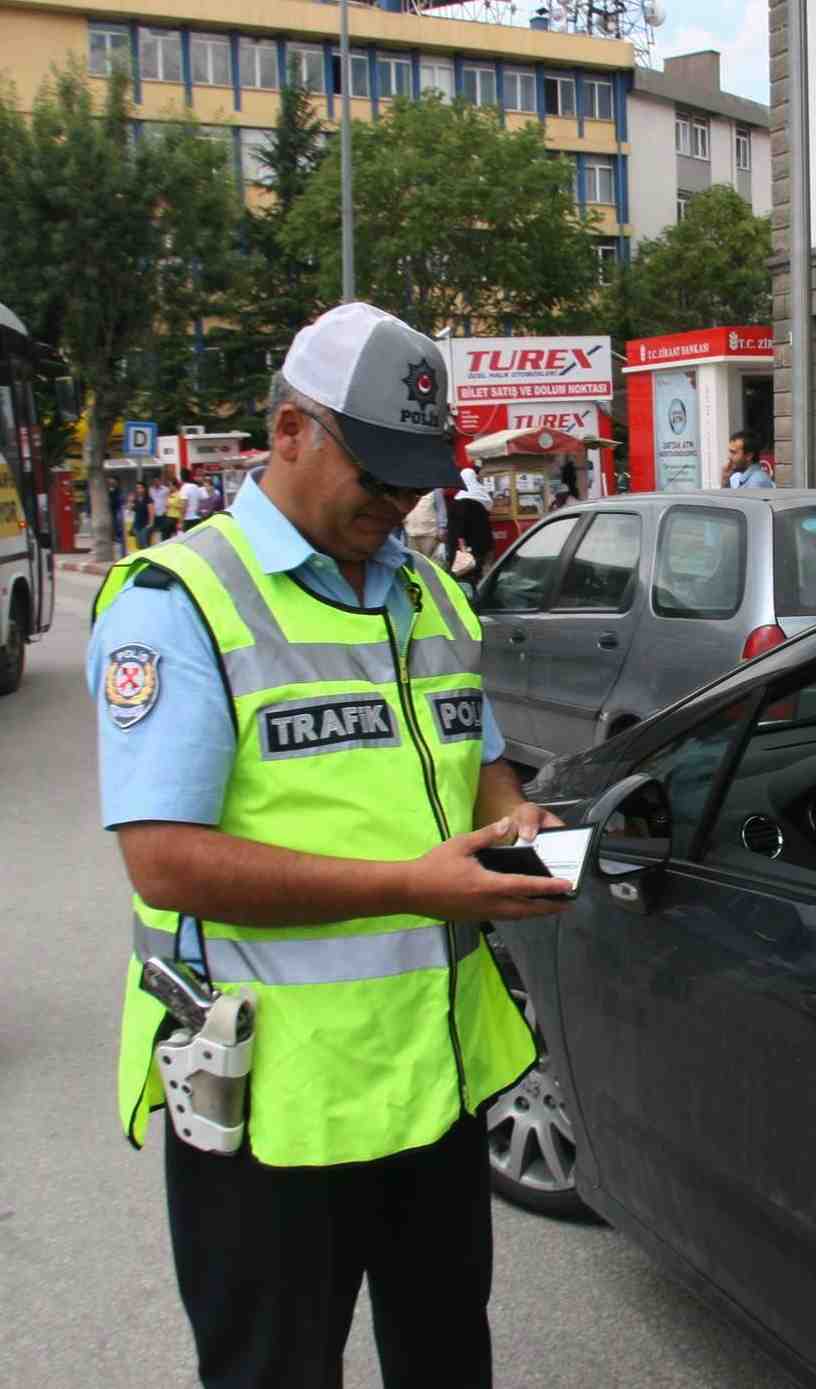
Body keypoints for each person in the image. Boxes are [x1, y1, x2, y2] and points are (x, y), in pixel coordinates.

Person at [86, 301, 576, 1389]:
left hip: (433, 1081)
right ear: (292, 431)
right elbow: (164, 858)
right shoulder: (182, 603)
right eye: (379, 468)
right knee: (274, 1371)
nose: (401, 499)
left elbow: (478, 754)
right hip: (273, 1104)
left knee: (446, 1356)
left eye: (418, 472)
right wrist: (414, 886)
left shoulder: (433, 592)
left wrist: (512, 821)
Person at [448, 457, 494, 583]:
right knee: (477, 573)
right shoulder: (481, 499)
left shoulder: (457, 501)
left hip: (462, 549)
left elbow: (457, 528)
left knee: (463, 575)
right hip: (480, 546)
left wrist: (460, 545)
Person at [402, 484, 446, 558]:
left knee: (429, 562)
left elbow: (441, 509)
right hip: (411, 533)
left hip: (429, 534)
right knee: (415, 563)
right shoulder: (408, 488)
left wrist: (442, 527)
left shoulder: (435, 490)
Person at [127, 482, 152, 554]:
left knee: (144, 544)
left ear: (144, 489)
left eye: (140, 488)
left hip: (145, 525)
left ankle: (148, 557)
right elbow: (129, 509)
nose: (139, 490)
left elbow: (151, 513)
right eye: (137, 488)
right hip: (136, 525)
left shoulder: (148, 499)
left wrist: (150, 524)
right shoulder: (136, 500)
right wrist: (130, 501)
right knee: (139, 545)